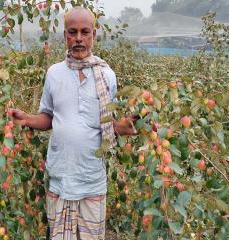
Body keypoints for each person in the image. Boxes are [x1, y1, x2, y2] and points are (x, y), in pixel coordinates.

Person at [11, 6, 136, 240]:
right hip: (62, 177)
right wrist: (27, 119)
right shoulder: (54, 74)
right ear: (65, 36)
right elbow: (48, 117)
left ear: (94, 35)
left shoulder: (106, 76)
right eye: (72, 32)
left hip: (91, 177)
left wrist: (124, 127)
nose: (78, 38)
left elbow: (108, 122)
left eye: (84, 32)